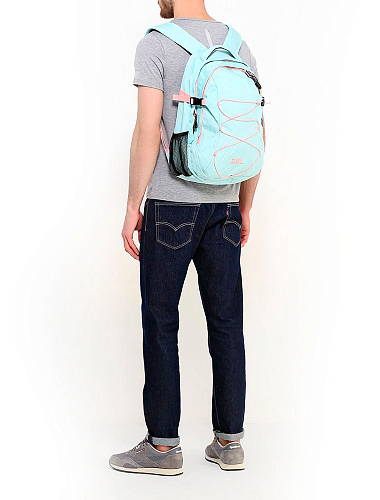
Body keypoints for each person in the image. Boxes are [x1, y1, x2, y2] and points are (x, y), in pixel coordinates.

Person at [109, 0, 265, 475]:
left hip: (172, 205)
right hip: (225, 205)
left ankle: (162, 449)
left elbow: (146, 130)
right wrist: (244, 205)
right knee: (227, 323)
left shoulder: (157, 44)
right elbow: (256, 130)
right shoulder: (237, 45)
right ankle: (230, 442)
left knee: (161, 321)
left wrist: (133, 205)